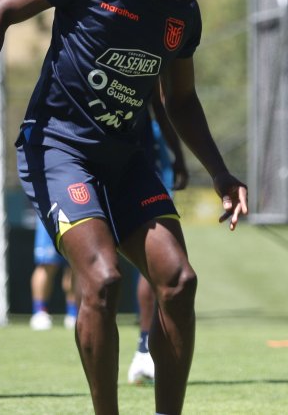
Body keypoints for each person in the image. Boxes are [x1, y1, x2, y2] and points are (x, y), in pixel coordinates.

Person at [0, 0, 248, 415]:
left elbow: (179, 99)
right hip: (60, 148)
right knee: (103, 277)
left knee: (179, 283)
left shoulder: (183, 16)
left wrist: (221, 172)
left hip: (126, 159)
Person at [126, 94, 189, 385]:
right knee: (103, 273)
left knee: (158, 263)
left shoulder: (155, 57)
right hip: (90, 158)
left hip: (145, 165)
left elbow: (166, 104)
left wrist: (177, 154)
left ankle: (144, 348)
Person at [28, 219, 78, 331]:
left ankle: (73, 314)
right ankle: (39, 312)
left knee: (75, 265)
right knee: (46, 264)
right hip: (50, 214)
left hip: (76, 214)